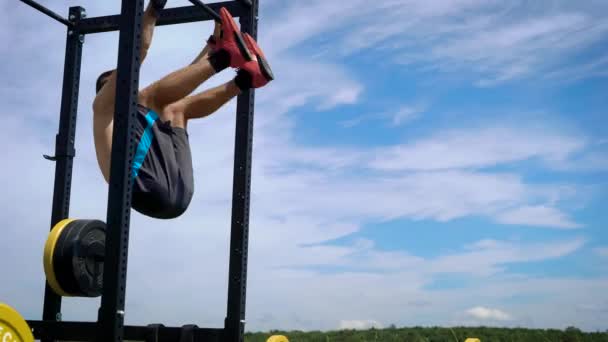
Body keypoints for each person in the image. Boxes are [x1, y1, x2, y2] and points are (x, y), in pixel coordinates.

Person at [92, 0, 272, 219]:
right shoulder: (103, 109)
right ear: (108, 85)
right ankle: (226, 57)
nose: (132, 82)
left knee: (176, 109)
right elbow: (139, 48)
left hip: (177, 195)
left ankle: (245, 79)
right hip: (145, 187)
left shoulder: (136, 120)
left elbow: (183, 80)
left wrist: (213, 42)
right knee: (150, 97)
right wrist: (153, 9)